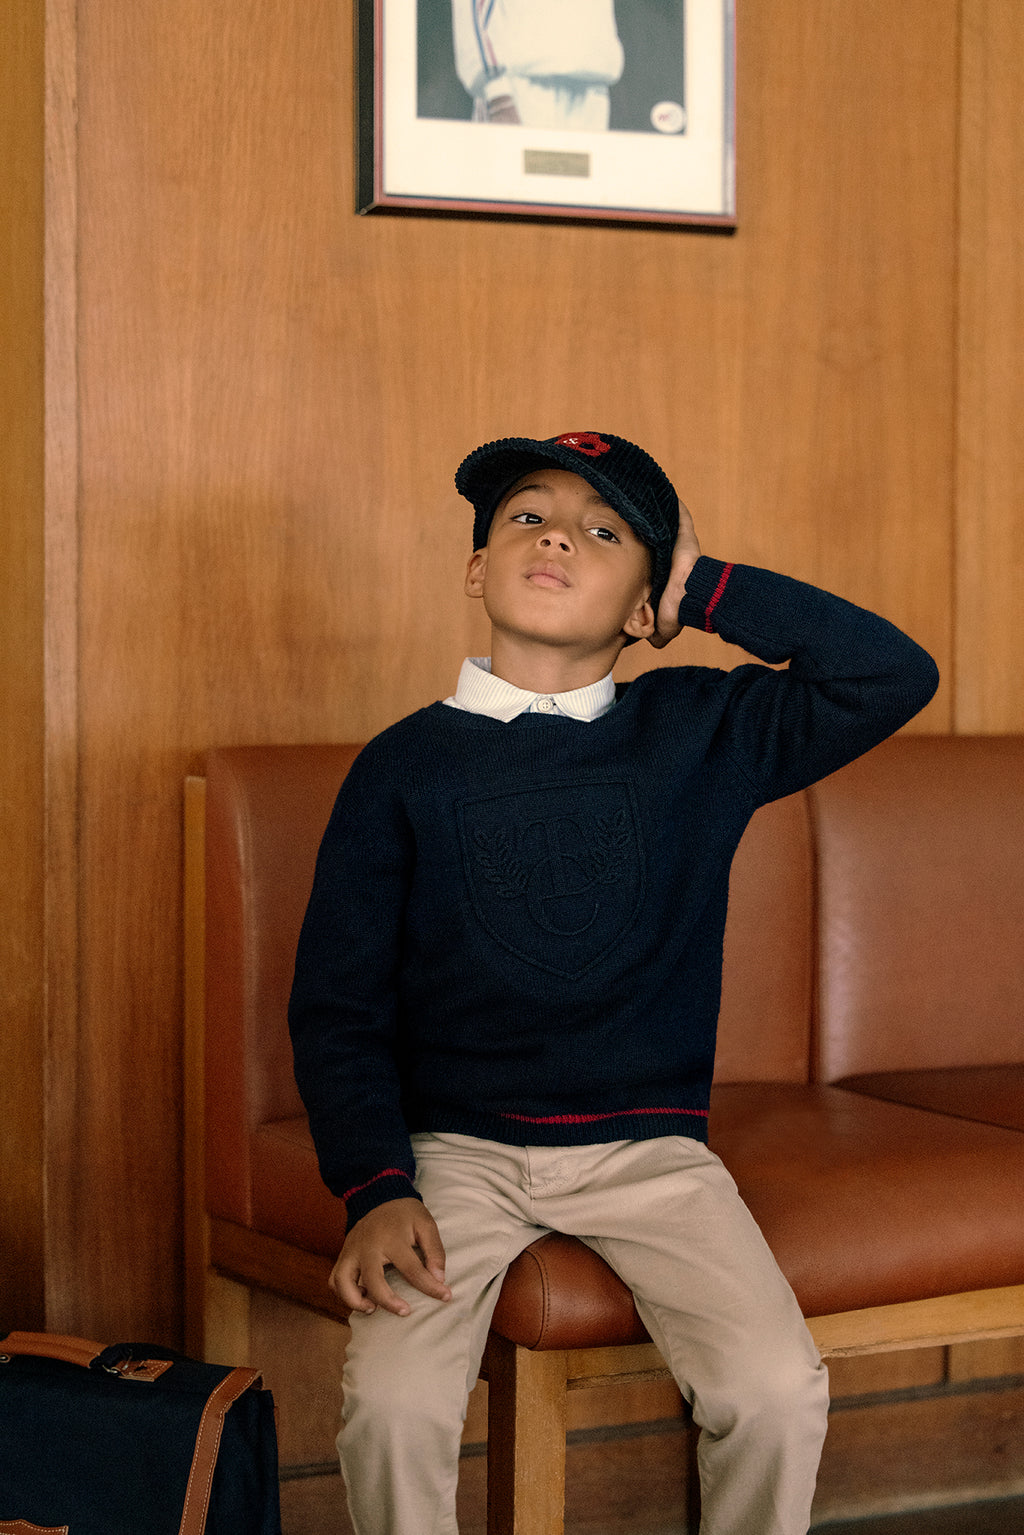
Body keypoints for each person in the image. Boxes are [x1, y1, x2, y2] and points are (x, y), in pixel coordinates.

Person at [288, 429, 939, 1535]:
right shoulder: (400, 765)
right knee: (393, 1408)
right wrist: (376, 1184)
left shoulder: (702, 730)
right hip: (454, 1155)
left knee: (774, 1392)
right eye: (527, 517)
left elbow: (891, 673)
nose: (556, 539)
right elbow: (338, 1004)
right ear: (476, 568)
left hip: (651, 1154)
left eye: (602, 531)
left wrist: (709, 585)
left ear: (646, 606)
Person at [449, 0, 624, 129]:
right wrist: (496, 92)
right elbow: (472, 10)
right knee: (511, 169)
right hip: (521, 89)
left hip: (590, 88)